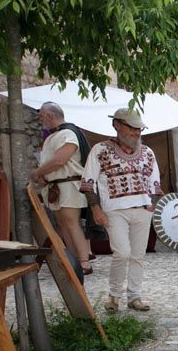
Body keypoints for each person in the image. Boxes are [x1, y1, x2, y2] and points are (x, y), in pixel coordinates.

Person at [80, 107, 162, 312]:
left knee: (138, 255)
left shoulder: (148, 153)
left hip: (142, 210)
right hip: (114, 211)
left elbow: (155, 181)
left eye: (139, 128)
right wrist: (96, 209)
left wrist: (151, 204)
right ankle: (114, 296)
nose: (137, 132)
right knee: (122, 253)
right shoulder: (100, 150)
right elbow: (88, 182)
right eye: (132, 128)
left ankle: (134, 297)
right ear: (117, 125)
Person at [30, 103, 92, 273]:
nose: (40, 119)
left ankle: (84, 262)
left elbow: (60, 160)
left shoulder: (68, 133)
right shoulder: (51, 137)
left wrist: (37, 173)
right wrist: (43, 176)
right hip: (56, 187)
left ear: (50, 116)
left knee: (72, 223)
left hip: (69, 185)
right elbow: (50, 161)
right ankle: (73, 261)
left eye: (42, 116)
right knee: (63, 224)